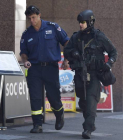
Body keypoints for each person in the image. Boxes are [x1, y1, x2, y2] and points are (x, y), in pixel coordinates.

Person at [64, 10, 117, 139]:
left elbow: (113, 52)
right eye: (79, 22)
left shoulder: (99, 37)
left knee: (91, 101)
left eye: (83, 22)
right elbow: (66, 51)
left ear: (90, 22)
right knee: (83, 101)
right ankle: (90, 123)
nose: (80, 25)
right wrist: (73, 54)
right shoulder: (76, 37)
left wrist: (109, 64)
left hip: (94, 74)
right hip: (79, 74)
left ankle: (87, 128)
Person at [20, 5, 69, 133]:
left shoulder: (53, 27)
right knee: (35, 97)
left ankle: (59, 114)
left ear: (39, 15)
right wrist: (25, 61)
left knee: (53, 96)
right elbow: (23, 52)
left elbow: (67, 42)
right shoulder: (27, 34)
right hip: (34, 69)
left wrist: (67, 59)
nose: (32, 20)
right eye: (29, 18)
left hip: (50, 68)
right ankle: (37, 124)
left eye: (34, 17)